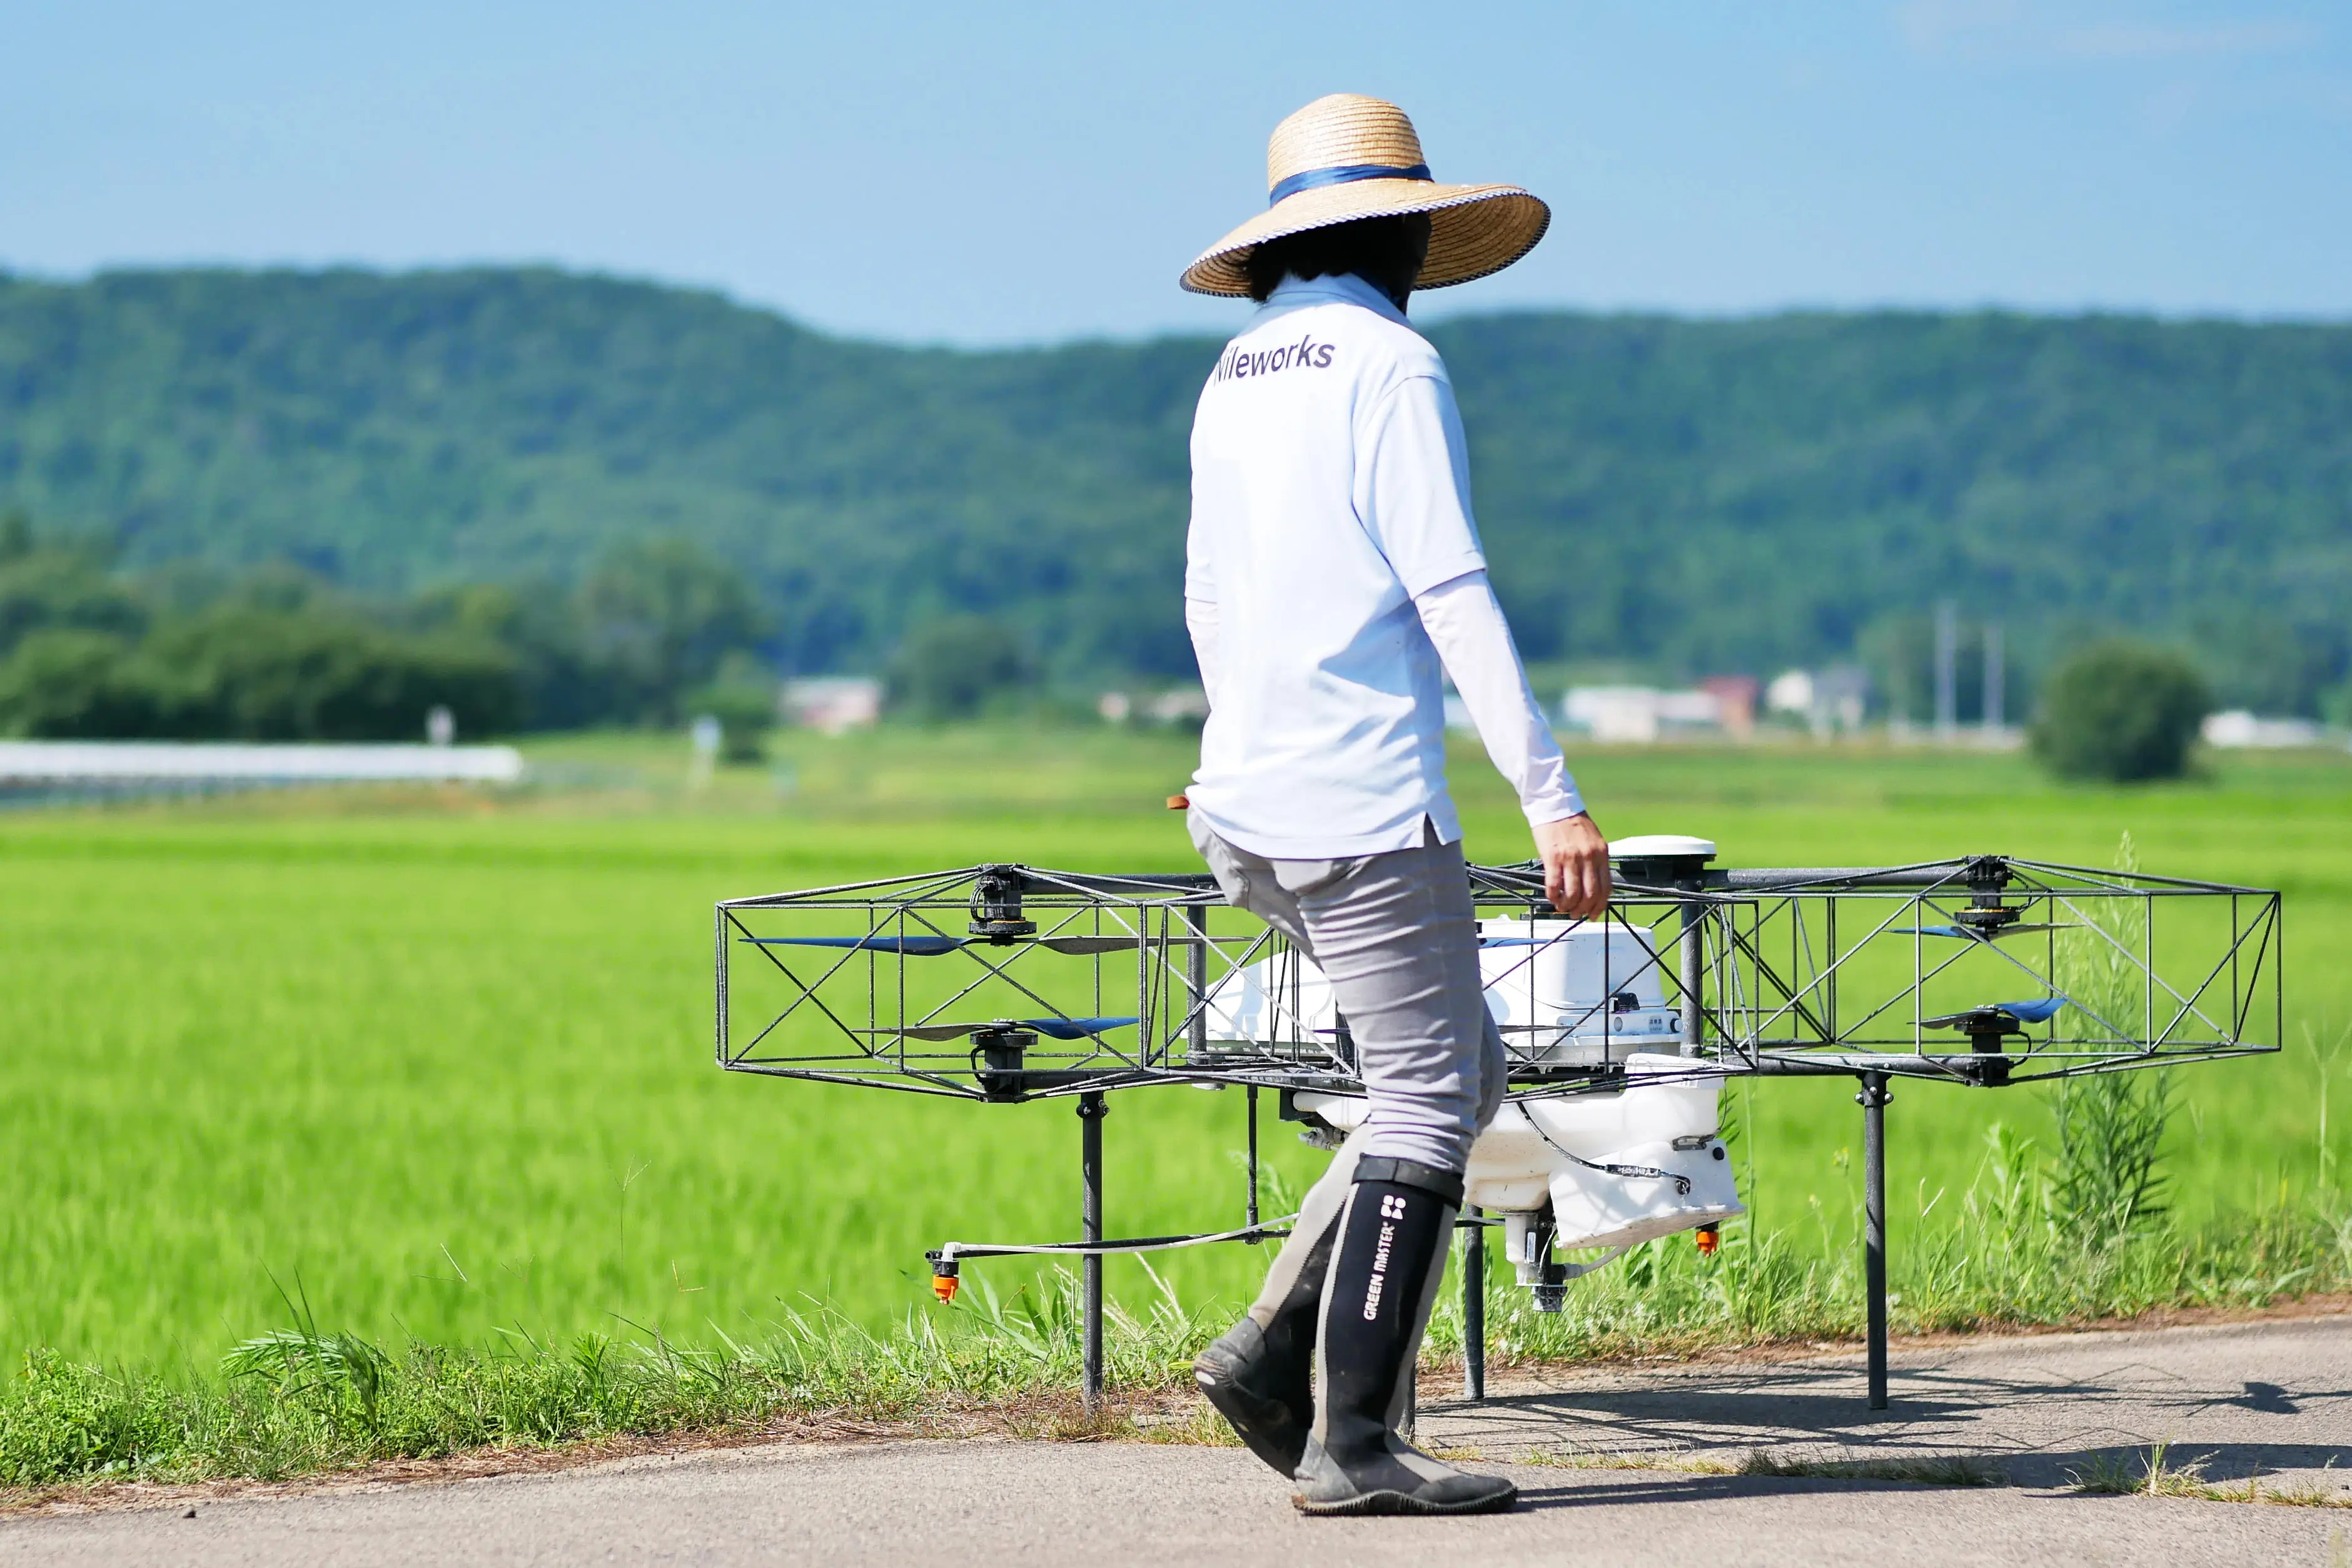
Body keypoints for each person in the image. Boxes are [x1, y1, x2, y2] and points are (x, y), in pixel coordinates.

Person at [1177, 94, 1610, 1517]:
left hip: (1246, 804)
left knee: (1457, 1073)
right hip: (1357, 809)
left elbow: (1206, 595)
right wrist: (1550, 799)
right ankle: (1349, 1444)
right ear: (1401, 229)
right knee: (1429, 1101)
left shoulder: (1236, 374)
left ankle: (1264, 1353)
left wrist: (1228, 744)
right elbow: (1450, 592)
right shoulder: (1391, 365)